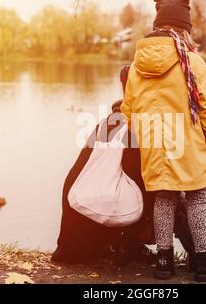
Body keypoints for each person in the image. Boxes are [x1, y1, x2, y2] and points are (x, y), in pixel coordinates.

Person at [120, 0, 206, 282]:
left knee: (163, 198)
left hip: (154, 146)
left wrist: (149, 138)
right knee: (197, 198)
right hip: (188, 145)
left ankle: (164, 262)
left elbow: (128, 110)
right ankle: (205, 261)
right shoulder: (192, 61)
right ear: (184, 28)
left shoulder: (138, 65)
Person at [51, 67, 155, 265]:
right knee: (151, 187)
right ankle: (130, 245)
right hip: (91, 229)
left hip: (69, 240)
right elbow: (138, 185)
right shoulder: (134, 125)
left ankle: (117, 243)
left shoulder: (108, 123)